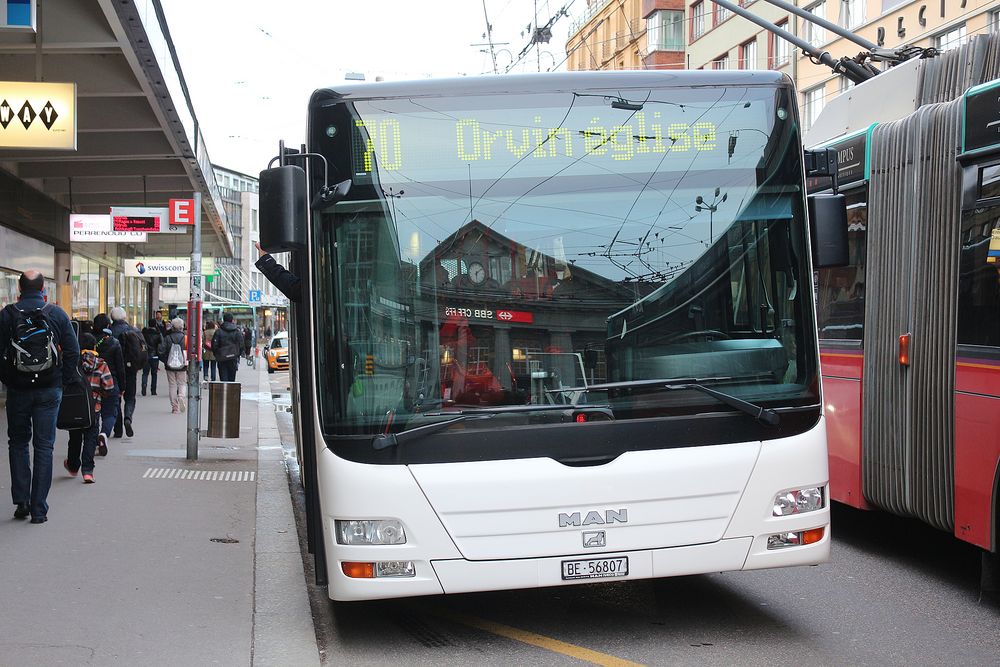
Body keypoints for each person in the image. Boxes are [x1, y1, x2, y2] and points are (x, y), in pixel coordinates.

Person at [0, 271, 80, 523]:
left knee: (18, 443)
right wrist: (62, 381)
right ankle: (39, 509)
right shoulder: (55, 313)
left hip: (18, 390)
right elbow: (73, 351)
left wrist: (8, 380)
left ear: (19, 289)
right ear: (44, 288)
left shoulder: (7, 314)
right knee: (44, 446)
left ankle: (21, 501)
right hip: (49, 389)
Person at [64, 333, 115, 484]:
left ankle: (73, 466)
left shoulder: (73, 363)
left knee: (74, 438)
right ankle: (87, 471)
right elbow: (109, 386)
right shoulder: (101, 364)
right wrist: (100, 395)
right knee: (90, 438)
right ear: (94, 347)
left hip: (75, 408)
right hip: (94, 408)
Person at [109, 306, 144, 438]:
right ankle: (128, 418)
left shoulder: (109, 332)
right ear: (124, 317)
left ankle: (118, 429)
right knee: (130, 397)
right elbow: (143, 350)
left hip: (114, 371)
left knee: (115, 399)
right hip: (130, 370)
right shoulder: (134, 330)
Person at [92, 313, 123, 454]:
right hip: (111, 381)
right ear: (108, 325)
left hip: (92, 382)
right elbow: (120, 367)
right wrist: (122, 387)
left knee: (93, 413)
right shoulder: (114, 342)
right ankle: (104, 433)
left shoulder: (89, 340)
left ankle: (92, 440)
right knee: (110, 412)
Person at [159, 317, 188, 413]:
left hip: (170, 364)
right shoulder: (185, 338)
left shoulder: (167, 338)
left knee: (172, 385)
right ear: (181, 327)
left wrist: (166, 360)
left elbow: (161, 351)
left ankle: (174, 407)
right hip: (182, 364)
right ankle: (181, 396)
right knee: (182, 383)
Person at [212, 313, 244, 382]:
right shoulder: (237, 332)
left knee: (223, 379)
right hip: (233, 358)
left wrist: (217, 355)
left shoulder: (219, 331)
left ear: (223, 320)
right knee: (232, 379)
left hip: (222, 358)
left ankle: (224, 392)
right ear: (232, 320)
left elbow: (214, 345)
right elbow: (241, 345)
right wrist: (237, 355)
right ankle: (231, 392)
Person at [141, 317, 163, 396]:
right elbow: (161, 344)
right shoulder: (157, 333)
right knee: (154, 373)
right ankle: (153, 390)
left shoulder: (144, 333)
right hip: (155, 356)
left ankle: (144, 386)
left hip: (146, 355)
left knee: (145, 373)